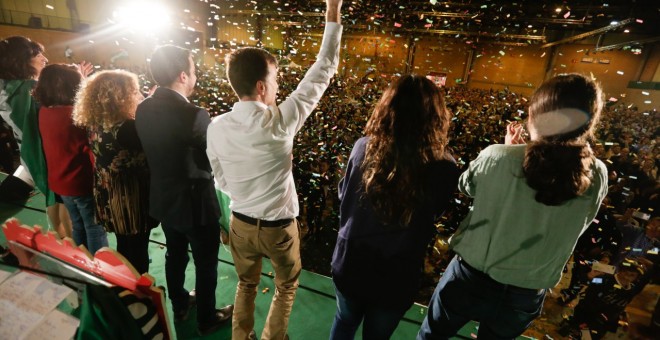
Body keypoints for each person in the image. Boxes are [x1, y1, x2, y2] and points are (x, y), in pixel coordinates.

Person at [417, 73, 609, 339]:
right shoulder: (598, 174)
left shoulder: (497, 156)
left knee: (432, 336)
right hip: (526, 293)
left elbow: (466, 186)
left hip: (471, 279)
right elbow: (581, 222)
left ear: (535, 114)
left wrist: (506, 152)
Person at [206, 1, 343, 338]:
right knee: (286, 286)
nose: (280, 87)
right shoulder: (280, 122)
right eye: (277, 79)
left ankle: (241, 336)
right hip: (279, 229)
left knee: (246, 284)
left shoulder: (215, 127)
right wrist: (333, 10)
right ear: (262, 87)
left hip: (239, 224)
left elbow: (219, 180)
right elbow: (324, 67)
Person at [329, 75, 460, 339]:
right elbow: (434, 212)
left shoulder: (361, 148)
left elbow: (344, 196)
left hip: (351, 260)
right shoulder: (444, 166)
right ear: (436, 116)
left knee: (344, 321)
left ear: (387, 109)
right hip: (396, 273)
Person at [135, 46, 232, 336]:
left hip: (165, 199)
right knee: (205, 263)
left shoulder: (144, 107)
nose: (195, 75)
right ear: (182, 75)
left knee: (174, 253)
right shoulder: (194, 114)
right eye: (193, 69)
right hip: (195, 203)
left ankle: (178, 302)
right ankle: (206, 317)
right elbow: (215, 157)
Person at [72, 70, 156, 269]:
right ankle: (138, 293)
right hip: (130, 197)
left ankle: (123, 287)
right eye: (134, 91)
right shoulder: (127, 128)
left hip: (108, 192)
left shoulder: (96, 122)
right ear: (121, 97)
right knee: (137, 249)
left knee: (125, 246)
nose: (140, 95)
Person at [0, 36, 72, 238]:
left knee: (16, 194)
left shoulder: (8, 88)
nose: (44, 58)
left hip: (28, 157)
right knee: (62, 207)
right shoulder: (28, 89)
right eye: (37, 54)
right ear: (21, 59)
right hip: (44, 157)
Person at [35, 64, 95, 244]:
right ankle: (96, 267)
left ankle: (81, 259)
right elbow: (89, 148)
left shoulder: (45, 111)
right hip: (80, 181)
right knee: (93, 228)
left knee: (77, 224)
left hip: (60, 181)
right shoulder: (75, 114)